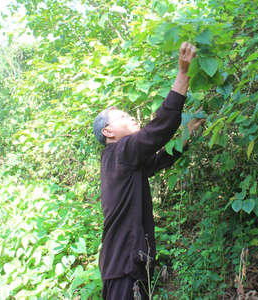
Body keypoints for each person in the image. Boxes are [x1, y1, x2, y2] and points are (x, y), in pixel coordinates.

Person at [92, 42, 203, 299]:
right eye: (122, 117)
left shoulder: (121, 161)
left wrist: (186, 135)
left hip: (123, 265)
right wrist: (183, 74)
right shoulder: (120, 152)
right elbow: (158, 129)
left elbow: (159, 160)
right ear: (108, 132)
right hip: (123, 267)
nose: (131, 118)